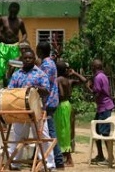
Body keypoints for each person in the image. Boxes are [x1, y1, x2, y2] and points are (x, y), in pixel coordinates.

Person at [6, 43, 52, 170]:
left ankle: (48, 164)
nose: (27, 60)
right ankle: (15, 163)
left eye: (30, 58)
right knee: (18, 137)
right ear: (22, 59)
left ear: (34, 59)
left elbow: (47, 90)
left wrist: (35, 88)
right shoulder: (17, 74)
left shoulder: (40, 74)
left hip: (36, 109)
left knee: (43, 137)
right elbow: (10, 90)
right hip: (20, 110)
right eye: (25, 58)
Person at [36, 41, 65, 169]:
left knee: (50, 132)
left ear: (40, 51)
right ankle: (53, 158)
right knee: (47, 131)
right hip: (51, 101)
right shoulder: (49, 62)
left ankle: (58, 160)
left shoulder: (46, 65)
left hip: (48, 102)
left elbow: (44, 84)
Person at [54, 61, 87, 167]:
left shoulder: (58, 80)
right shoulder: (69, 81)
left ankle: (68, 158)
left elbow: (61, 93)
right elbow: (84, 80)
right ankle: (65, 155)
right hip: (68, 105)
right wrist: (75, 73)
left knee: (61, 131)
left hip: (61, 106)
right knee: (67, 130)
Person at [87, 59, 115, 166]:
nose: (91, 69)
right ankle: (100, 155)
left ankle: (111, 157)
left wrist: (88, 88)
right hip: (103, 108)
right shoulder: (103, 75)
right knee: (96, 131)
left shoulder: (98, 77)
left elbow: (97, 92)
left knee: (104, 133)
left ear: (94, 67)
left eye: (92, 67)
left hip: (104, 108)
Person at [0, 2, 28, 83]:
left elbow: (24, 33)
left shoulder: (20, 21)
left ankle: (11, 84)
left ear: (18, 11)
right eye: (12, 11)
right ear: (9, 10)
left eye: (15, 11)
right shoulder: (3, 19)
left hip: (15, 47)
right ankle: (3, 84)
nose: (13, 13)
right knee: (2, 67)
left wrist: (22, 41)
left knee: (14, 66)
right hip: (3, 46)